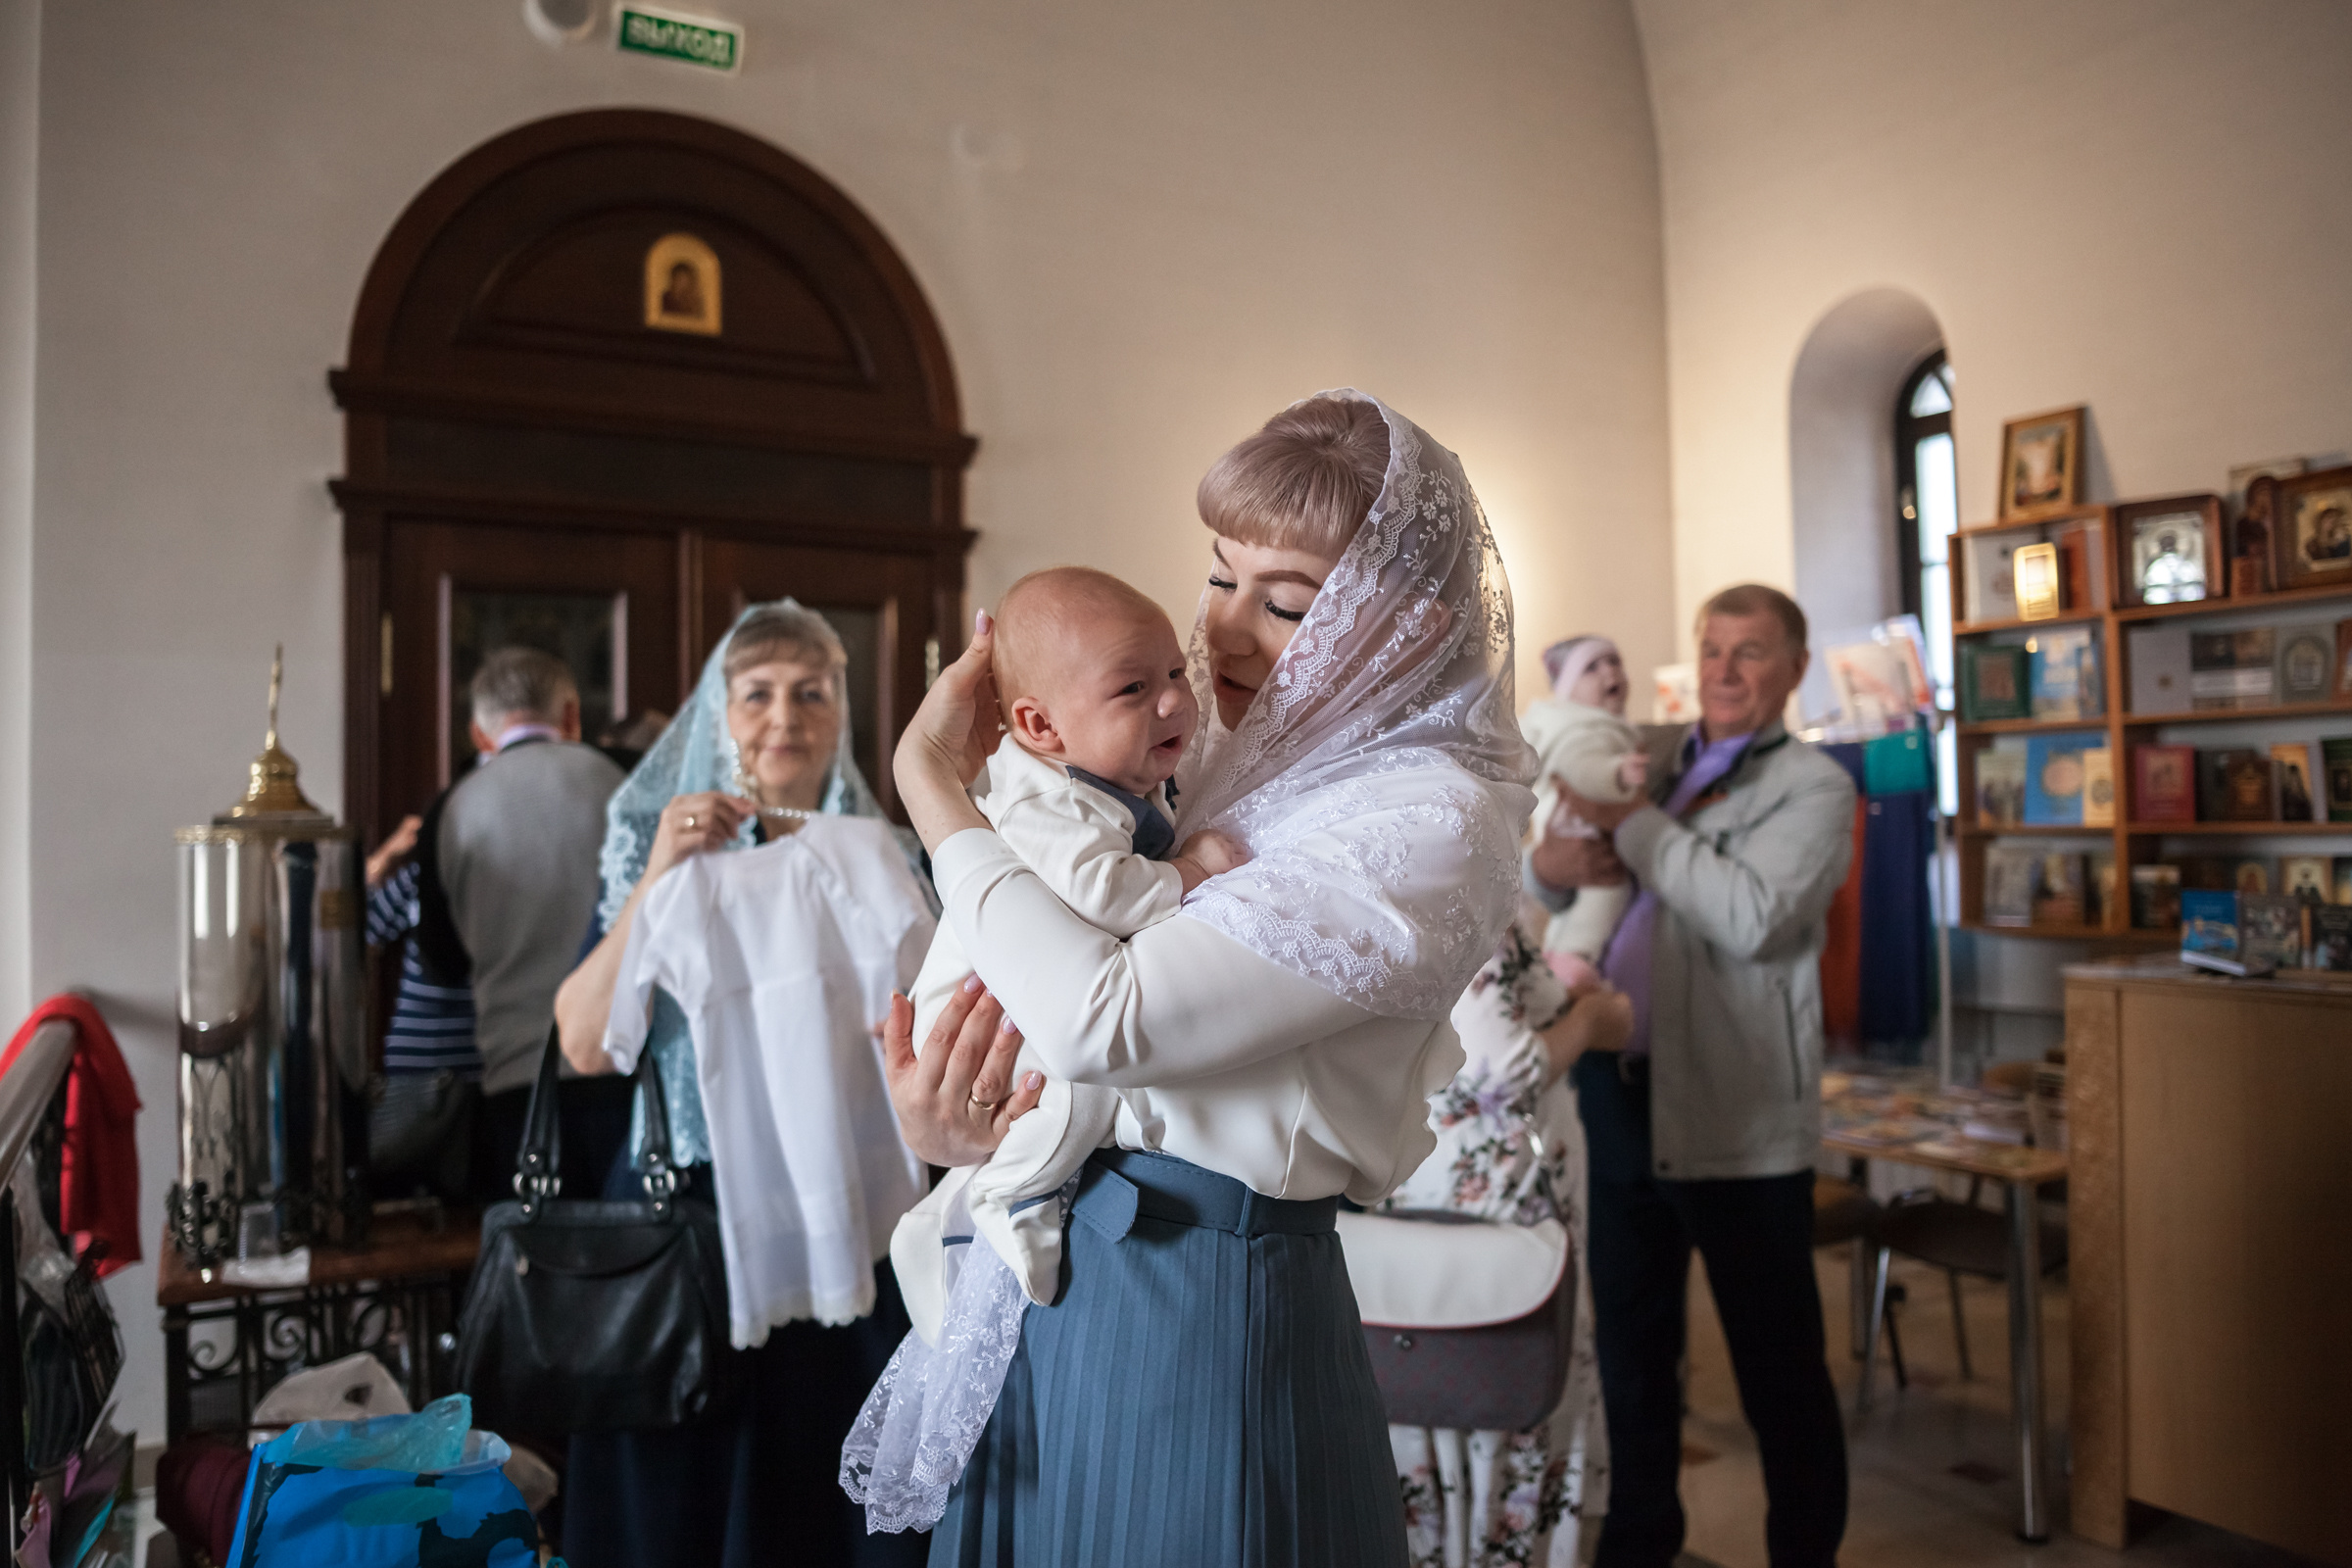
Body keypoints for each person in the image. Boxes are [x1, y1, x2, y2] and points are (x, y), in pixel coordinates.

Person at [877, 390, 1535, 1568]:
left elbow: (1104, 1018)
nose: (1220, 633)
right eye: (1220, 575)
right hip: (1058, 1271)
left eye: (1285, 603)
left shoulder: (1429, 816)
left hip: (1209, 1306)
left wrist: (933, 786)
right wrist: (961, 1119)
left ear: (1409, 626)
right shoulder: (1221, 753)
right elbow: (1049, 973)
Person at [844, 567, 1248, 1535]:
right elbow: (1113, 896)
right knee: (1050, 1112)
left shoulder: (1114, 779)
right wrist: (1192, 869)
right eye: (1131, 689)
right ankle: (1005, 1202)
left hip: (1030, 999)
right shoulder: (1043, 805)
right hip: (990, 1005)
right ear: (1037, 727)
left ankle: (989, 1202)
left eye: (1173, 675)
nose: (1172, 703)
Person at [551, 601, 931, 1568]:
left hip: (850, 1218)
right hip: (692, 1222)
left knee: (828, 1496)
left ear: (842, 710)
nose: (784, 717)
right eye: (756, 693)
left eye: (812, 692)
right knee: (681, 1499)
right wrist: (659, 879)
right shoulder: (659, 853)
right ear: (717, 715)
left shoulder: (884, 853)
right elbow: (586, 1047)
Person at [1528, 583, 1856, 1568]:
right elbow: (1564, 872)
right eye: (1712, 648)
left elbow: (1751, 912)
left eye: (1749, 652)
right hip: (1620, 1096)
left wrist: (1625, 820)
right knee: (1631, 1358)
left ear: (1794, 670)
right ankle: (1638, 1545)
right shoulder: (1655, 751)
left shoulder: (1814, 788)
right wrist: (1548, 860)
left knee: (1778, 1373)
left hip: (1738, 1117)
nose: (1722, 669)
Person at [1384, 914, 1632, 1568]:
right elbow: (1502, 1068)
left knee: (1433, 1399)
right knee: (1504, 1398)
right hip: (1492, 1209)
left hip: (1424, 1189)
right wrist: (1594, 1021)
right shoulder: (1464, 883)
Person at [363, 648, 627, 1201]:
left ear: (480, 737)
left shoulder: (452, 809)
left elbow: (442, 960)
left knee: (534, 1263)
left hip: (515, 1080)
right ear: (572, 715)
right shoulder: (625, 782)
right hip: (627, 1066)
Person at [1520, 636, 1646, 984]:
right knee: (1600, 901)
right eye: (1591, 667)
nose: (1609, 672)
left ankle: (1564, 960)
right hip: (1579, 837)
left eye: (1614, 661)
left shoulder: (1602, 729)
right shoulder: (1579, 732)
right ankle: (1573, 961)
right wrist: (1616, 773)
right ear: (1567, 689)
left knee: (1581, 913)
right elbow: (1582, 768)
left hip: (1583, 842)